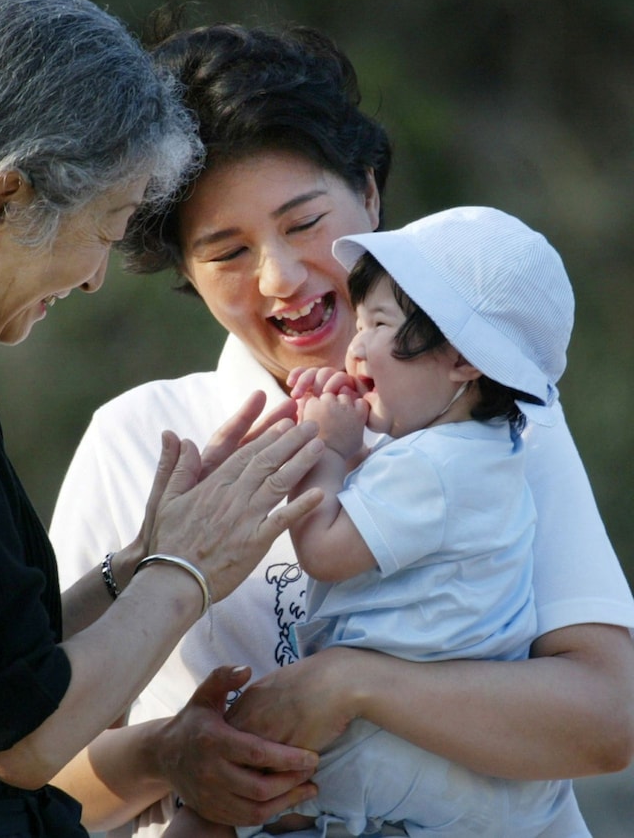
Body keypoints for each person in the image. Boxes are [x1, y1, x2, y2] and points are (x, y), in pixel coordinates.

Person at [49, 21, 634, 837]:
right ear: (186, 272)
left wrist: (350, 683)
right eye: (225, 251)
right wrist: (166, 756)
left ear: (368, 191)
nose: (280, 277)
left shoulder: (500, 416)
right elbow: (31, 773)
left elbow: (607, 720)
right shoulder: (141, 437)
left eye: (302, 223)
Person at [0, 0, 327, 837]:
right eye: (106, 226)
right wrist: (189, 571)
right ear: (5, 201)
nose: (96, 276)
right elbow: (21, 734)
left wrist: (136, 564)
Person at [167, 205, 578, 837]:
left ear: (463, 359)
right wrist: (349, 446)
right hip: (448, 737)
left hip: (389, 738)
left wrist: (326, 453)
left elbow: (325, 551)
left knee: (230, 781)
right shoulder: (484, 453)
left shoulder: (436, 467)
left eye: (379, 323)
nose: (354, 347)